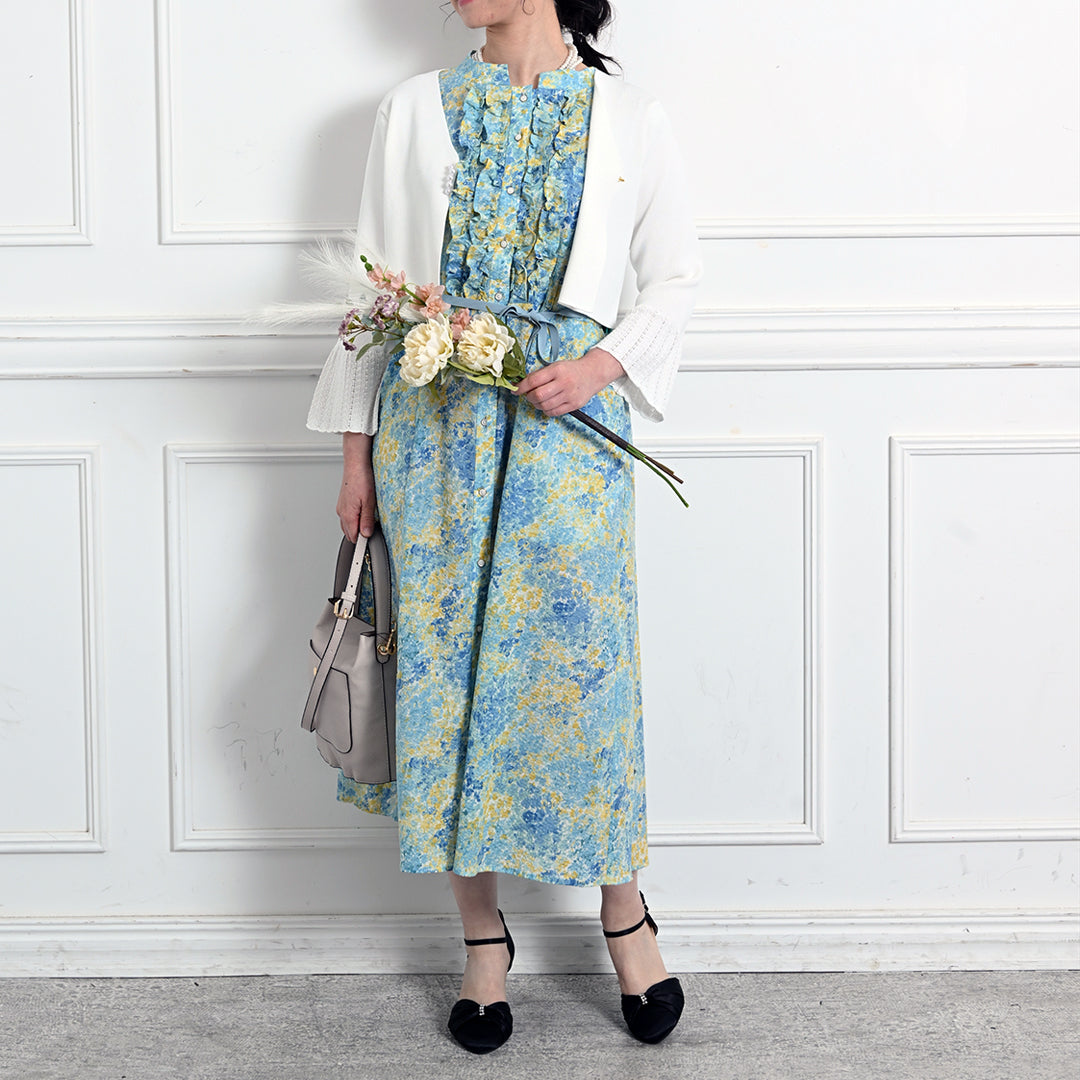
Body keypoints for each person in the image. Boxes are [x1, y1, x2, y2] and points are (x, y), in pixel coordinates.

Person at [306, 0, 701, 1054]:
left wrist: (601, 366)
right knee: (445, 672)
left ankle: (625, 912)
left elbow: (674, 277)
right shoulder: (412, 110)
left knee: (581, 672)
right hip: (433, 430)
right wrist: (354, 456)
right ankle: (481, 936)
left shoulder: (630, 116)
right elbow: (372, 294)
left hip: (567, 428)